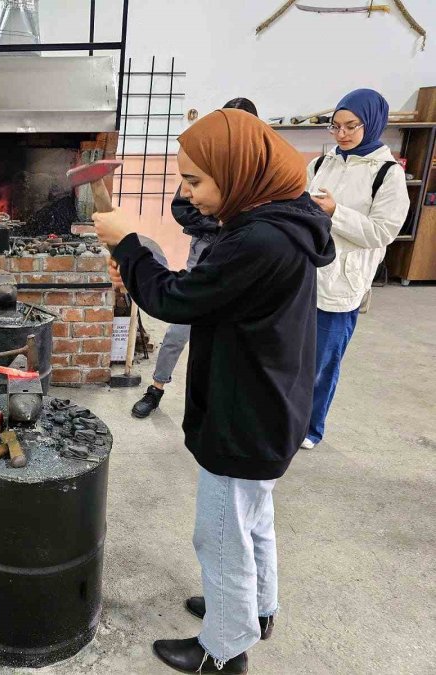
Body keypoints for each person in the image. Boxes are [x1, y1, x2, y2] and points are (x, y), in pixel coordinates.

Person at [94, 109, 335, 674]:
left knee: (221, 535)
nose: (186, 193)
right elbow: (203, 291)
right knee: (253, 519)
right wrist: (139, 267)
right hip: (272, 401)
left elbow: (178, 300)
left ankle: (224, 649)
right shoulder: (279, 222)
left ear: (238, 172)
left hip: (245, 412)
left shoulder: (261, 240)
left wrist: (128, 246)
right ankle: (255, 609)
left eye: (195, 180)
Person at [131, 97, 260, 419]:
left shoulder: (262, 173)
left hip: (245, 257)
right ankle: (156, 388)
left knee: (231, 335)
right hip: (205, 251)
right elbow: (181, 208)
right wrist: (218, 223)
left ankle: (226, 403)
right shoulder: (205, 163)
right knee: (179, 327)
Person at [302, 88, 409, 449]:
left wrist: (336, 213)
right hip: (307, 274)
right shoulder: (322, 164)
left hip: (343, 282)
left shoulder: (387, 174)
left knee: (323, 361)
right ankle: (287, 418)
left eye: (351, 126)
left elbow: (383, 232)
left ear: (372, 123)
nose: (342, 134)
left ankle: (311, 427)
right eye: (336, 126)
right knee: (294, 355)